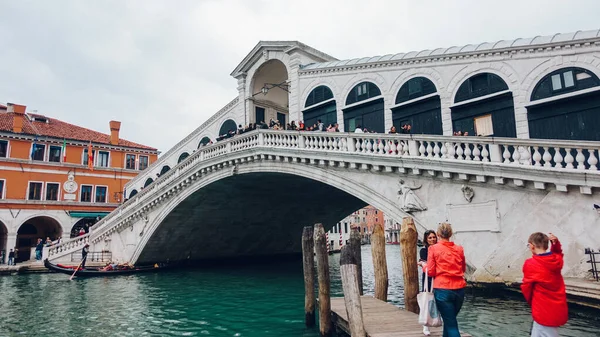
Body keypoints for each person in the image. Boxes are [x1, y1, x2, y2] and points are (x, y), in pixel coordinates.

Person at [521, 232, 568, 337]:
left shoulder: (531, 264)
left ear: (532, 246)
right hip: (557, 308)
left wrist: (532, 303)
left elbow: (526, 288)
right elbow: (557, 255)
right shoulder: (557, 260)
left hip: (543, 310)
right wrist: (555, 245)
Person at [426, 222, 466, 337]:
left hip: (443, 289)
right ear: (451, 234)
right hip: (459, 289)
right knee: (449, 321)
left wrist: (424, 267)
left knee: (451, 324)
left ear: (438, 234)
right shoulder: (459, 249)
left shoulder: (433, 249)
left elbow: (431, 272)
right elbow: (463, 268)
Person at [418, 230, 438, 336]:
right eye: (430, 238)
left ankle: (438, 320)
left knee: (439, 299)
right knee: (427, 300)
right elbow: (425, 263)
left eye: (434, 237)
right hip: (428, 278)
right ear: (426, 239)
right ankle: (426, 326)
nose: (432, 239)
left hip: (439, 277)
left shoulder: (439, 248)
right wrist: (423, 263)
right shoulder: (423, 250)